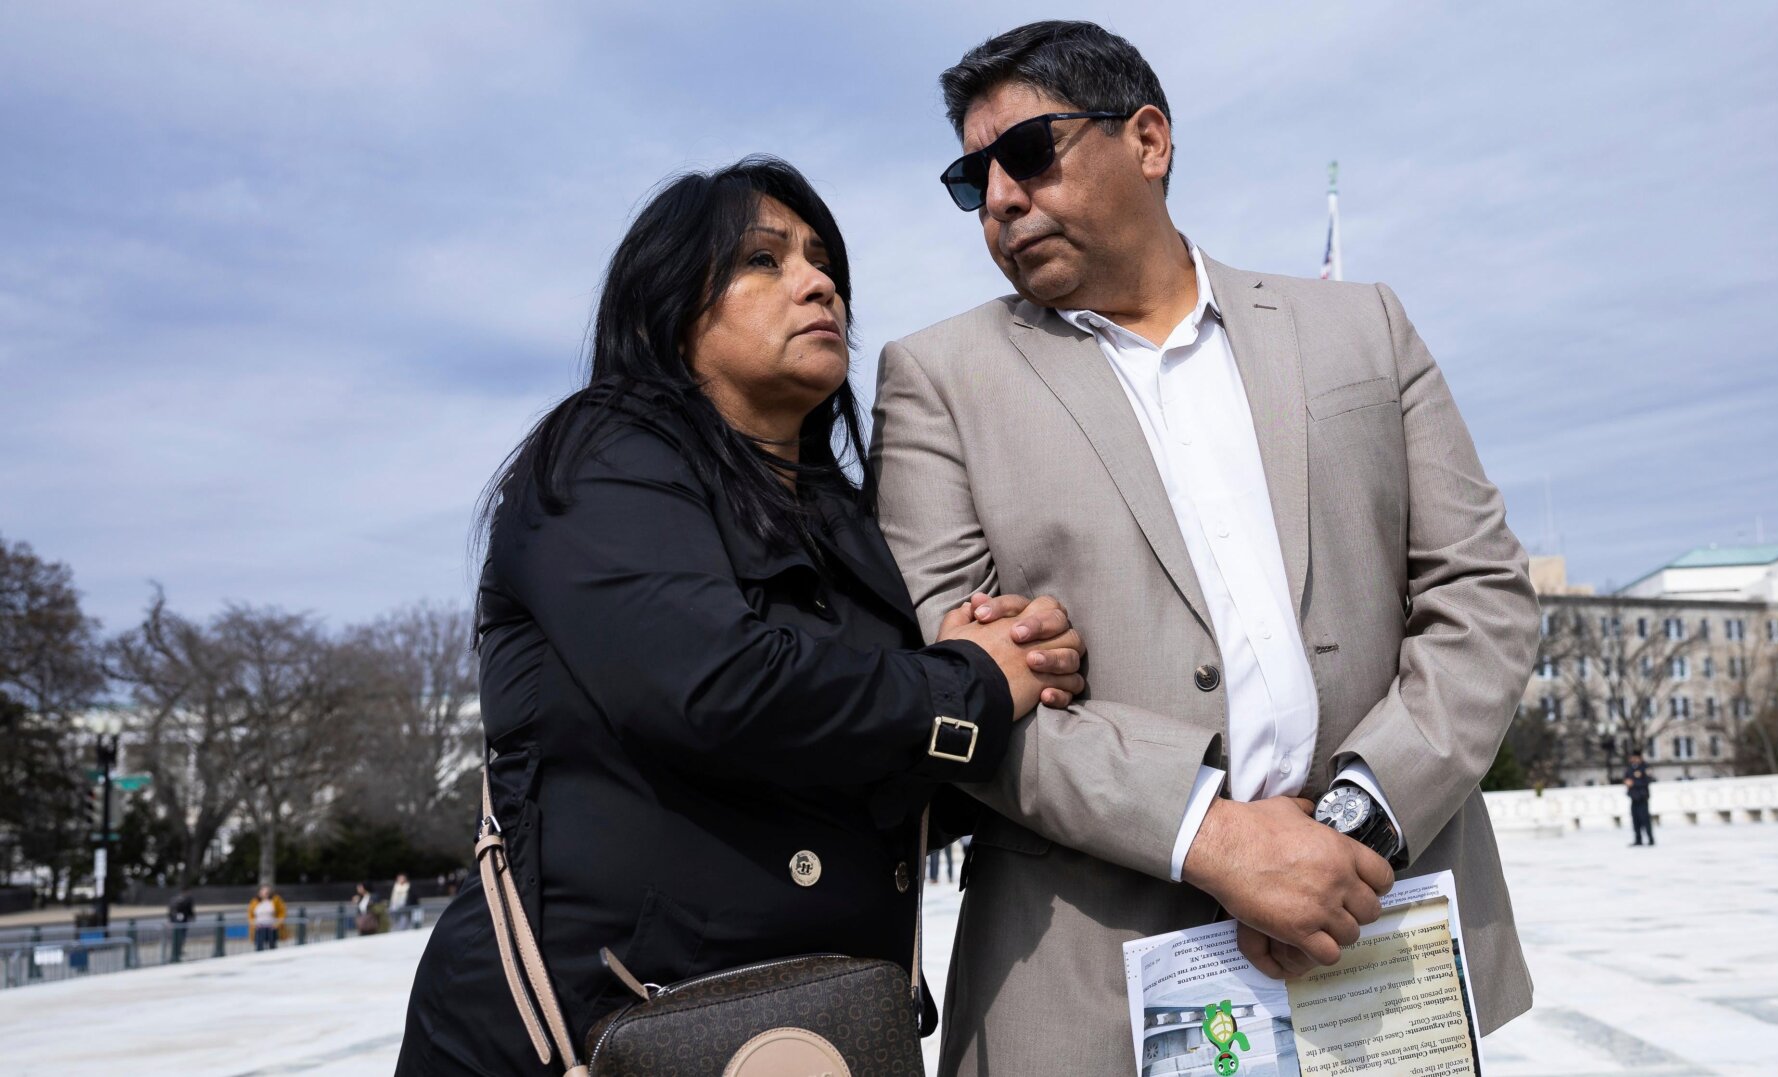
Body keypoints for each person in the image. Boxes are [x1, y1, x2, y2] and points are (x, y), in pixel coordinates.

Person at [869, 21, 1541, 1073]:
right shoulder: (938, 381)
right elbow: (944, 687)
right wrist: (1217, 839)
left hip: (1372, 939)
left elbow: (1484, 596)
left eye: (1029, 153)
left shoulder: (1361, 330)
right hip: (1090, 978)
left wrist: (1354, 831)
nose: (1000, 197)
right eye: (973, 177)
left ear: (1147, 140)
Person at [395, 156, 1087, 1075]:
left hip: (816, 1023)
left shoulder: (846, 515)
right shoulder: (604, 453)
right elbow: (720, 688)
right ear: (673, 307)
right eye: (764, 261)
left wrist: (1023, 658)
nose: (818, 284)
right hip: (594, 1027)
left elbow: (875, 771)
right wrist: (972, 683)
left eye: (823, 262)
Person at [1623, 750, 1656, 846]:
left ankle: (1650, 839)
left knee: (1645, 819)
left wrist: (1633, 783)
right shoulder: (1630, 768)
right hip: (1633, 798)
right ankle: (1638, 839)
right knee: (1635, 820)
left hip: (1642, 797)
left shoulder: (1645, 767)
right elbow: (1626, 779)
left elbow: (1647, 780)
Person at [247, 885, 284, 952]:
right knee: (259, 946)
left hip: (271, 927)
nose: (264, 894)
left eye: (266, 892)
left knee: (272, 946)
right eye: (263, 892)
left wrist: (277, 924)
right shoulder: (254, 901)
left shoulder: (275, 900)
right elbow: (250, 915)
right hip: (259, 927)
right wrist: (254, 924)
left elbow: (281, 913)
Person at [166, 886, 194, 964]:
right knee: (182, 935)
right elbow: (189, 910)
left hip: (175, 920)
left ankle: (176, 950)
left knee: (177, 935)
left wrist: (170, 919)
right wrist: (192, 916)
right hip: (183, 920)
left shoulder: (174, 899)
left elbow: (170, 910)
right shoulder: (188, 899)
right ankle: (178, 950)